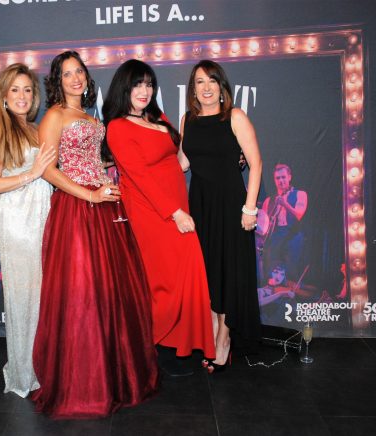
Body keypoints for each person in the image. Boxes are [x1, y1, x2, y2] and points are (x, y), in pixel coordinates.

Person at [31, 51, 159, 419]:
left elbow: (91, 159)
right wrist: (89, 195)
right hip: (76, 209)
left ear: (87, 77)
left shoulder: (91, 117)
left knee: (111, 291)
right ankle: (85, 385)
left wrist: (112, 170)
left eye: (79, 72)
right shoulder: (54, 116)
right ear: (58, 80)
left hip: (105, 206)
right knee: (82, 293)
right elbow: (48, 170)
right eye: (67, 73)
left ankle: (117, 377)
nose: (75, 78)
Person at [103, 59, 216, 376]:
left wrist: (220, 154)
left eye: (149, 84)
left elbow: (179, 160)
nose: (144, 91)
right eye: (137, 84)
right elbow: (140, 177)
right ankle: (155, 344)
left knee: (183, 274)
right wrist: (174, 213)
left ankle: (180, 345)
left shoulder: (158, 117)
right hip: (152, 211)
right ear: (124, 88)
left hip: (176, 204)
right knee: (164, 281)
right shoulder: (118, 127)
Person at [181, 60, 263, 373]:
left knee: (229, 271)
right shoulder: (187, 120)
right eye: (200, 82)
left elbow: (255, 163)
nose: (206, 88)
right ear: (193, 89)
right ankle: (215, 331)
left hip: (231, 205)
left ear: (221, 86)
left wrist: (250, 208)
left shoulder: (235, 116)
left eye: (212, 81)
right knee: (209, 272)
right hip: (200, 206)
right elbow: (182, 162)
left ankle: (223, 338)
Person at [0, 63, 55, 398]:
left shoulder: (36, 129)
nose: (22, 96)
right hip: (18, 221)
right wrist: (32, 173)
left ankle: (45, 365)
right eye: (15, 90)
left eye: (27, 89)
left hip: (43, 215)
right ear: (4, 96)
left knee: (44, 296)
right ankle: (25, 372)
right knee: (24, 296)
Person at [261, 163, 308, 280]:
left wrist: (285, 204)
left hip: (293, 234)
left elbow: (299, 214)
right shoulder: (268, 200)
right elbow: (264, 223)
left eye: (283, 177)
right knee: (271, 268)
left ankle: (291, 288)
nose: (281, 181)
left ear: (289, 177)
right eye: (278, 178)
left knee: (291, 269)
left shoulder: (300, 194)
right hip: (276, 235)